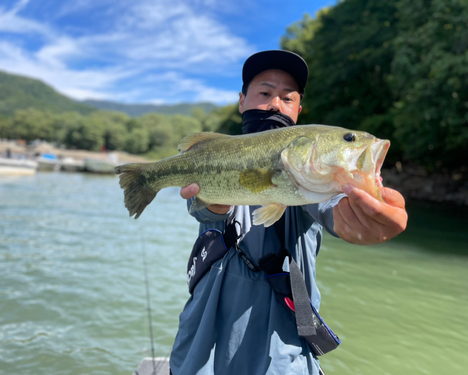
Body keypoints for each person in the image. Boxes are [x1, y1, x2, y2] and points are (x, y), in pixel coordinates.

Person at [169, 50, 408, 375]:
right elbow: (202, 208)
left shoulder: (317, 182)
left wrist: (360, 219)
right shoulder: (216, 156)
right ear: (242, 101)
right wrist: (214, 202)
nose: (275, 104)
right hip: (199, 351)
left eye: (287, 97)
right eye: (265, 93)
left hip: (280, 358)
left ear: (298, 110)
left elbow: (330, 206)